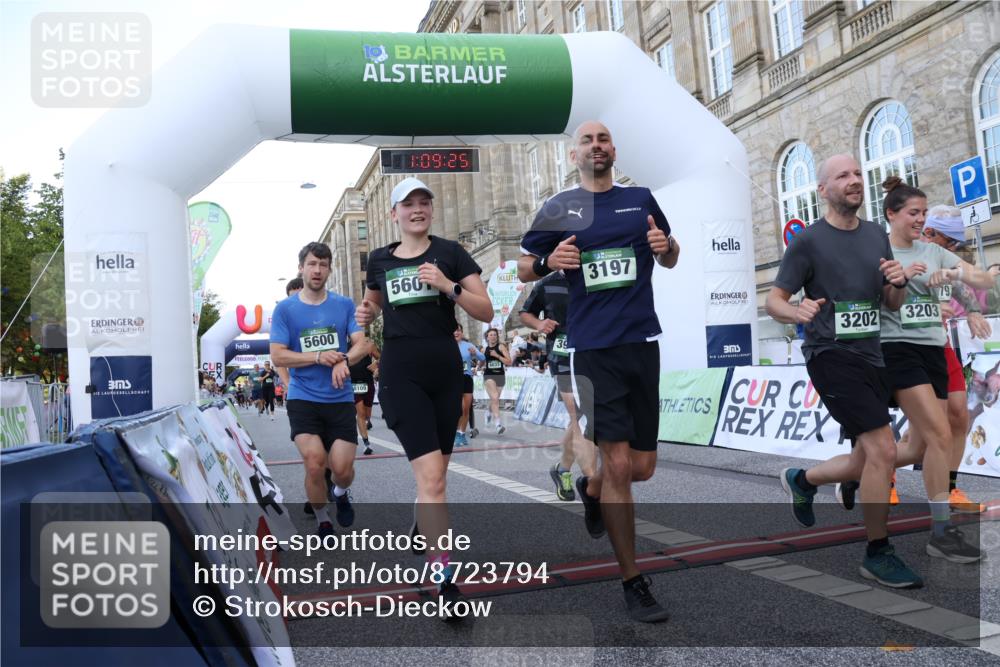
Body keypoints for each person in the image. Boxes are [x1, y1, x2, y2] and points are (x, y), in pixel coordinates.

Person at [518, 121, 679, 623]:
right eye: (587, 141)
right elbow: (523, 268)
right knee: (620, 468)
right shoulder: (559, 208)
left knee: (641, 467)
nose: (597, 146)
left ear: (613, 149)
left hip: (640, 343)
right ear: (574, 154)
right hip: (593, 351)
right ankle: (633, 580)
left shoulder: (641, 198)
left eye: (603, 139)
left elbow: (671, 254)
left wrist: (666, 249)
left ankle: (592, 492)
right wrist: (548, 258)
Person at [767, 154, 921, 588]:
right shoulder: (808, 242)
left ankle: (803, 479)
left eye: (857, 173)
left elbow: (891, 304)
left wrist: (897, 282)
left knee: (864, 458)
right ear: (823, 190)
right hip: (830, 355)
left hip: (873, 354)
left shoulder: (876, 235)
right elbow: (774, 299)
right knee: (884, 450)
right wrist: (797, 311)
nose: (854, 181)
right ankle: (878, 551)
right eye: (843, 176)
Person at [355, 177, 494, 617]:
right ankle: (444, 580)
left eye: (424, 203)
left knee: (435, 478)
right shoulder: (379, 259)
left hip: (444, 372)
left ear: (430, 211)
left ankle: (422, 519)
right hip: (401, 374)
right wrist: (366, 313)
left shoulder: (450, 253)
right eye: (408, 204)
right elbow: (372, 303)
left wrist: (447, 285)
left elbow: (486, 310)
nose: (417, 209)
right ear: (394, 214)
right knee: (433, 479)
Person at [270, 242, 366, 538]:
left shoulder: (343, 305)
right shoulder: (286, 310)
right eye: (312, 264)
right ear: (301, 267)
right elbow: (278, 356)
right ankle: (324, 519)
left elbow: (362, 343)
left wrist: (344, 360)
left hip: (339, 397)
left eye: (323, 265)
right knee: (314, 463)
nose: (317, 270)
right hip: (304, 398)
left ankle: (339, 491)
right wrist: (318, 357)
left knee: (342, 469)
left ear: (329, 269)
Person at [916, 206, 995, 513]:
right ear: (929, 233)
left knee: (959, 418)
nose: (954, 249)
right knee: (924, 432)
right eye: (950, 242)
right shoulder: (907, 254)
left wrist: (973, 310)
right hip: (908, 350)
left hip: (941, 346)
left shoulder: (944, 258)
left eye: (956, 244)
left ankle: (949, 490)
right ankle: (876, 473)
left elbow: (961, 288)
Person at [520, 269, 598, 501]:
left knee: (584, 418)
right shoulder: (547, 283)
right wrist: (539, 323)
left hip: (591, 355)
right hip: (562, 358)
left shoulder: (591, 273)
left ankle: (562, 469)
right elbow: (525, 313)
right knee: (581, 419)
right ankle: (594, 487)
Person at [454, 324, 484, 447]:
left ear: (461, 332)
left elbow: (482, 357)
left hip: (466, 378)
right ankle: (455, 432)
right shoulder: (446, 345)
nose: (456, 332)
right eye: (453, 330)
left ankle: (461, 433)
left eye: (458, 330)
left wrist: (475, 354)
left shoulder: (468, 345)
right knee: (455, 409)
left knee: (465, 408)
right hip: (451, 380)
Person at [350, 339, 380, 455]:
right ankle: (366, 443)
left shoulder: (369, 345)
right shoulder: (345, 345)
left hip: (368, 383)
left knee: (367, 415)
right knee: (361, 413)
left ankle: (367, 421)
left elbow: (381, 357)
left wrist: (376, 366)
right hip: (353, 384)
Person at [276, 277, 304, 392]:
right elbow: (278, 358)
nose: (296, 301)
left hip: (331, 386)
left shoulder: (324, 315)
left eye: (300, 296)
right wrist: (288, 384)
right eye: (292, 298)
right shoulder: (285, 324)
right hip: (300, 389)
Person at [481, 328, 512, 433]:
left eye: (495, 335)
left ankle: (488, 412)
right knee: (494, 397)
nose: (493, 336)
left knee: (495, 399)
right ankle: (498, 424)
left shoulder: (501, 347)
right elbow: (481, 361)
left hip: (500, 376)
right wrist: (477, 367)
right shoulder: (484, 349)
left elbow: (509, 362)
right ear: (487, 337)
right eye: (491, 335)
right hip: (488, 375)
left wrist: (497, 355)